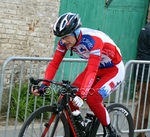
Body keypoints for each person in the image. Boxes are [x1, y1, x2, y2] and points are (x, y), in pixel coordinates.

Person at [32, 12, 125, 137]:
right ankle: (79, 127)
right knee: (70, 95)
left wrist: (82, 95)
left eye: (66, 37)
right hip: (96, 68)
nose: (63, 41)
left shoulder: (94, 40)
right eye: (61, 38)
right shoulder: (64, 42)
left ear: (76, 32)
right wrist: (44, 85)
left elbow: (92, 70)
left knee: (93, 98)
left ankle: (110, 131)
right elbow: (54, 64)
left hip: (113, 70)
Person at [134, 22, 150, 137]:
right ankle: (139, 134)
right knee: (143, 106)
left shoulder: (145, 28)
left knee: (143, 105)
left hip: (143, 72)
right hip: (147, 73)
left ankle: (141, 134)